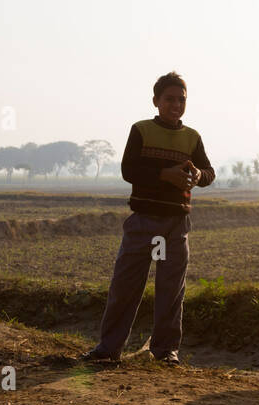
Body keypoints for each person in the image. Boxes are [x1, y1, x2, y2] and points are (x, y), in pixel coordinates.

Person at [83, 72, 213, 366]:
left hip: (175, 225)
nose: (176, 105)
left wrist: (196, 176)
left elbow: (208, 173)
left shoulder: (192, 137)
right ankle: (108, 349)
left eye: (181, 100)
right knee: (125, 286)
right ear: (156, 101)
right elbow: (129, 170)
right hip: (143, 222)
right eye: (169, 99)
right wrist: (164, 174)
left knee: (171, 289)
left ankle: (166, 351)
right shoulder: (141, 130)